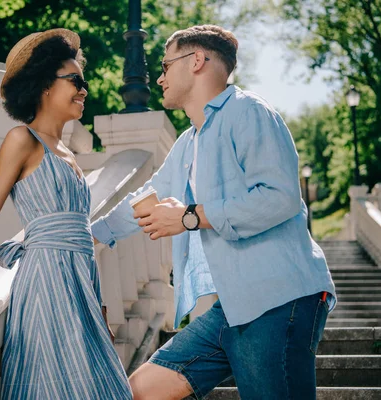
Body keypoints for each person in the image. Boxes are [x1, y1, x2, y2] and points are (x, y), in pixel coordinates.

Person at [91, 25, 337, 400]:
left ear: (197, 61)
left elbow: (280, 197)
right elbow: (148, 197)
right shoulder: (190, 141)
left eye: (165, 64)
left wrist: (191, 216)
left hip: (277, 299)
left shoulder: (248, 111)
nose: (159, 77)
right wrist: (89, 235)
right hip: (231, 309)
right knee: (137, 393)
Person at [0, 29, 133, 399]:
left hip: (81, 288)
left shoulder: (70, 157)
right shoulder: (22, 140)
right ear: (44, 86)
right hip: (44, 285)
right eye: (74, 80)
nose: (83, 89)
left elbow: (81, 240)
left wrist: (97, 304)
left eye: (82, 81)